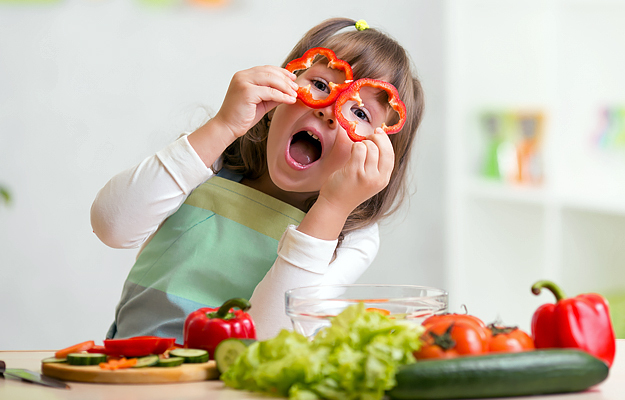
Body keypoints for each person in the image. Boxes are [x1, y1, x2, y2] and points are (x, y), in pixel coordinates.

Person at [91, 17, 425, 342]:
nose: (329, 110)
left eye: (360, 112)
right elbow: (112, 226)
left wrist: (333, 208)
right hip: (128, 371)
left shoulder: (354, 235)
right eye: (320, 85)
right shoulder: (211, 158)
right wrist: (222, 125)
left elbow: (270, 337)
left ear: (380, 153)